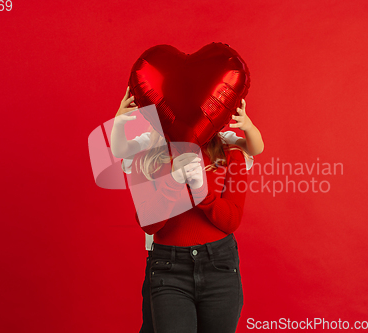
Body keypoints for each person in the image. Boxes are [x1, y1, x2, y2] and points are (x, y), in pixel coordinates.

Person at [111, 87, 264, 332]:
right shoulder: (147, 155)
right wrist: (172, 182)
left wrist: (202, 191)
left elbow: (231, 220)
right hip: (168, 270)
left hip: (220, 267)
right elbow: (149, 223)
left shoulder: (228, 151)